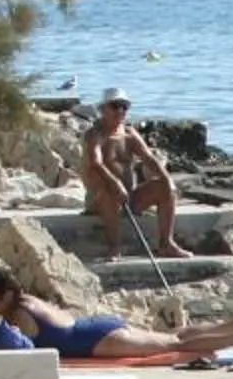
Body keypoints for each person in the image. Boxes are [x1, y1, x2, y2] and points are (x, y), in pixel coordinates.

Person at [0, 270, 233, 363]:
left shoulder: (17, 313)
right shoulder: (29, 299)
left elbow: (11, 352)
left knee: (174, 346)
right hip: (97, 326)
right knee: (176, 335)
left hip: (97, 341)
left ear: (3, 295)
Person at [80, 88, 190, 257]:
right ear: (103, 109)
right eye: (115, 106)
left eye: (124, 106)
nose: (121, 111)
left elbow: (149, 158)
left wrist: (166, 178)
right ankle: (114, 247)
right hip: (101, 199)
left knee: (165, 187)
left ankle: (166, 244)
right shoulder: (95, 135)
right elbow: (96, 163)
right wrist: (114, 183)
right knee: (109, 191)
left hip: (129, 197)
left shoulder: (129, 134)